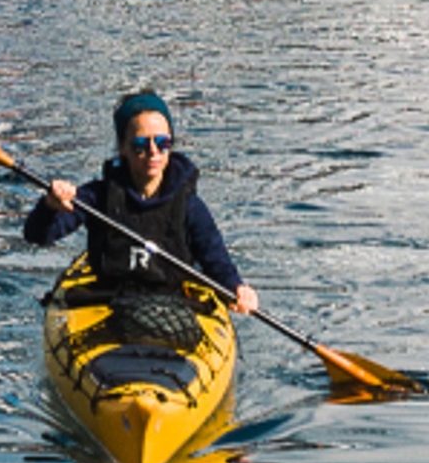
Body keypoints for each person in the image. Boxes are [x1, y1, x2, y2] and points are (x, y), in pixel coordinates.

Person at [24, 90, 261, 317]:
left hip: (173, 305)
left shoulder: (189, 204)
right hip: (107, 305)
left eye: (162, 143)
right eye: (140, 144)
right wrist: (50, 206)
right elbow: (37, 235)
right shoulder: (98, 197)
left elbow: (215, 258)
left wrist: (236, 287)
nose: (153, 152)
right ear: (123, 149)